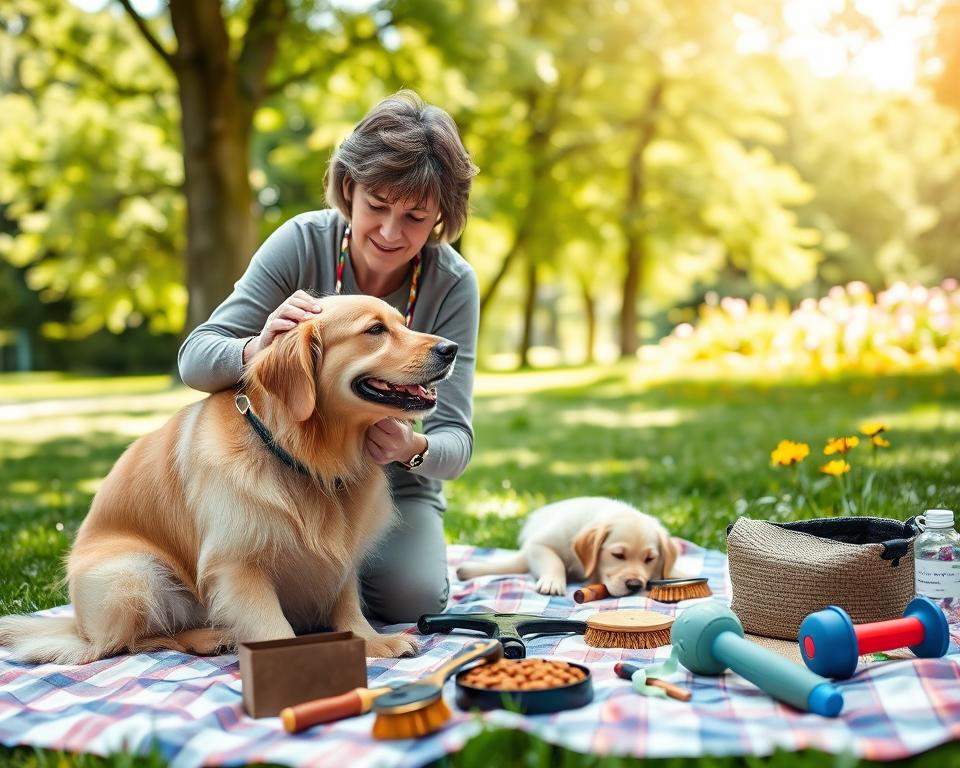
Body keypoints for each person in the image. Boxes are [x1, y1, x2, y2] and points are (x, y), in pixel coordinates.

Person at [178, 90, 480, 624]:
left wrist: (412, 446)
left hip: (388, 479)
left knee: (411, 598)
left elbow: (456, 442)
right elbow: (196, 359)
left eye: (414, 216)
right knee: (268, 578)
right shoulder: (300, 241)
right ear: (349, 188)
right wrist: (259, 345)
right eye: (377, 206)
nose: (390, 233)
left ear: (439, 218)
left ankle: (313, 587)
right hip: (286, 468)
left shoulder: (452, 284)